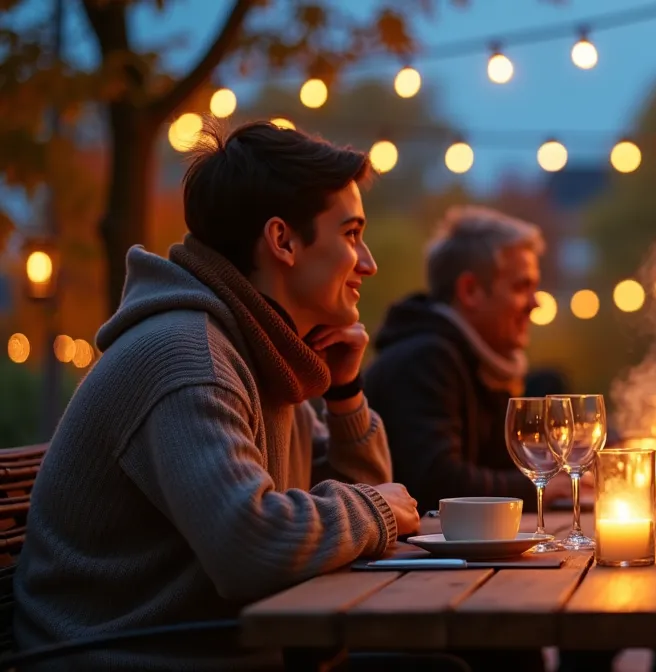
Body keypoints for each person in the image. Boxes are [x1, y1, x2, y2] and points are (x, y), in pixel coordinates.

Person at [14, 120, 420, 671]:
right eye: (350, 234)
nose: (367, 262)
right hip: (121, 658)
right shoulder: (187, 359)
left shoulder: (266, 357)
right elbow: (250, 547)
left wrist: (345, 392)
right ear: (282, 241)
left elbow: (373, 510)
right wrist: (373, 510)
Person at [365, 206, 576, 515]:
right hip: (411, 561)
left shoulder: (484, 362)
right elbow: (437, 483)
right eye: (521, 287)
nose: (535, 303)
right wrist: (538, 486)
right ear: (470, 290)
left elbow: (496, 465)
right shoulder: (425, 358)